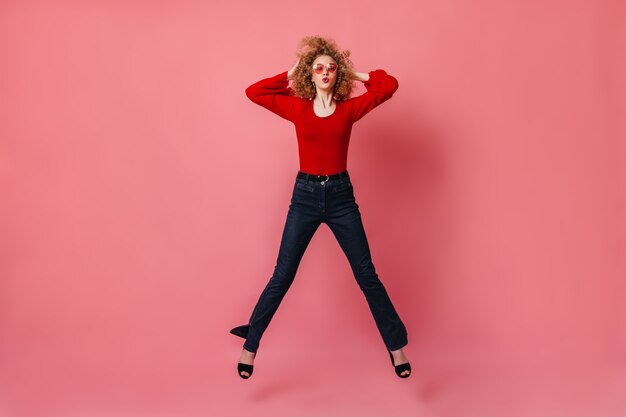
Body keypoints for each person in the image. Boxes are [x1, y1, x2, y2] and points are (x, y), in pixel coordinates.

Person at [230, 36, 411, 379]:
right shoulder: (297, 107)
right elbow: (254, 92)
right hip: (305, 196)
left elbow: (388, 86)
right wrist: (292, 70)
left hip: (341, 197)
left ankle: (396, 348)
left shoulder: (348, 110)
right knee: (282, 274)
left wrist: (352, 71)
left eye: (330, 68)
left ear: (336, 74)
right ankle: (250, 346)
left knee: (366, 275)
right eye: (318, 68)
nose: (325, 72)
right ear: (309, 75)